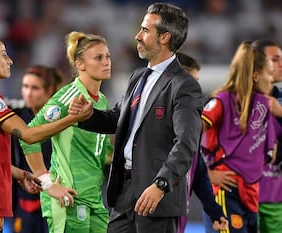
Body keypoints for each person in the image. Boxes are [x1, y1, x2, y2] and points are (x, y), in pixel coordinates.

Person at [69, 3, 203, 232]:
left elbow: (186, 143)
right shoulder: (138, 76)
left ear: (164, 38)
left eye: (145, 30)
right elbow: (117, 119)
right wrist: (88, 115)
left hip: (156, 196)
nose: (137, 36)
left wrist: (161, 185)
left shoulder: (184, 85)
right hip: (125, 191)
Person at [0, 27, 91, 233]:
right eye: (4, 55)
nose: (10, 61)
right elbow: (29, 135)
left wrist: (20, 174)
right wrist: (72, 118)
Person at [20, 31, 113, 233]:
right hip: (69, 196)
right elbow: (29, 137)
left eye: (108, 56)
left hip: (94, 198)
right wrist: (46, 182)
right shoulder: (68, 96)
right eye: (98, 57)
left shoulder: (103, 101)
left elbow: (100, 153)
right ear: (80, 64)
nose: (106, 62)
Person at [200, 41, 276, 233]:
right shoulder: (222, 101)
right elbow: (189, 134)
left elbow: (271, 152)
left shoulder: (264, 105)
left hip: (252, 194)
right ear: (256, 75)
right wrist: (205, 173)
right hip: (228, 190)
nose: (272, 78)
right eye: (269, 72)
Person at [175, 52, 228, 233]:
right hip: (153, 212)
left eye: (197, 81)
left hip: (179, 213)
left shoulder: (192, 121)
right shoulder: (157, 120)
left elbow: (196, 169)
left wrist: (214, 210)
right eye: (192, 81)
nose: (196, 88)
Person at [11, 65, 64, 233]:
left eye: (35, 88)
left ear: (50, 90)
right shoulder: (16, 117)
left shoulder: (62, 119)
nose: (28, 93)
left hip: (55, 197)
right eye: (25, 86)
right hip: (25, 200)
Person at [251, 40, 282, 233]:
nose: (281, 65)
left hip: (276, 198)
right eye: (275, 59)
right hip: (240, 196)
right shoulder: (234, 100)